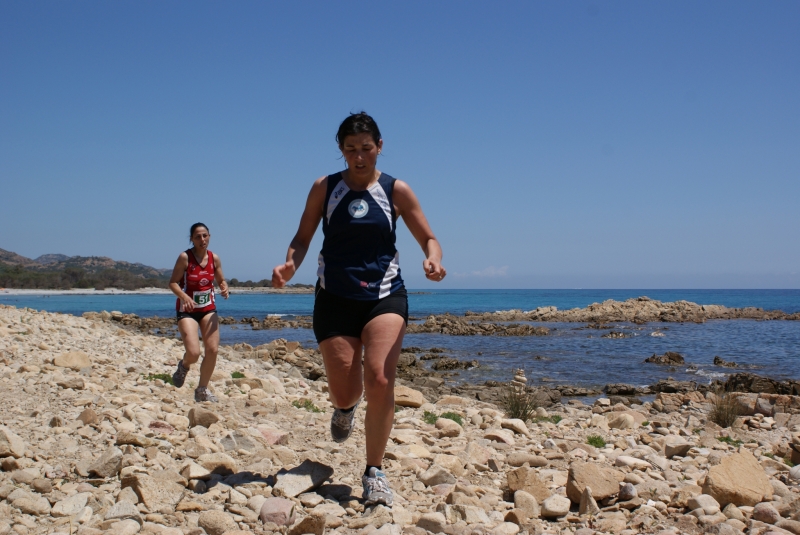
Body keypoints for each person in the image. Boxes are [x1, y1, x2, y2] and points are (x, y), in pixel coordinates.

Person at [272, 112, 446, 507]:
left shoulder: (396, 190)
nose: (359, 157)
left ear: (379, 146)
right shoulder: (325, 187)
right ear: (341, 150)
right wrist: (289, 265)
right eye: (350, 150)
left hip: (385, 294)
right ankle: (344, 408)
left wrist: (433, 260)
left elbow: (429, 237)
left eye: (366, 148)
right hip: (334, 297)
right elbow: (301, 238)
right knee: (346, 388)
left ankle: (374, 472)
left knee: (382, 379)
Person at [169, 222, 230, 402]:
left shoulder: (214, 258)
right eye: (198, 237)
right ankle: (184, 365)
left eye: (205, 235)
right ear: (192, 239)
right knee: (194, 353)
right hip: (187, 310)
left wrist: (224, 288)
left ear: (209, 236)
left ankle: (202, 390)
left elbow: (221, 280)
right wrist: (184, 297)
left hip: (208, 309)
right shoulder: (185, 258)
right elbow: (172, 283)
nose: (202, 239)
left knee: (212, 349)